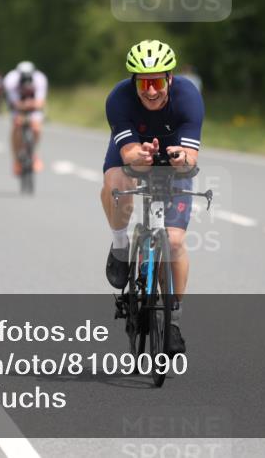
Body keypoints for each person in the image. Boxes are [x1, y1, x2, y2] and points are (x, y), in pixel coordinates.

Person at [101, 40, 204, 356]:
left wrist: (178, 158)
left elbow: (190, 158)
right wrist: (140, 155)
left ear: (169, 79)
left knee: (173, 242)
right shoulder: (119, 99)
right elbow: (129, 153)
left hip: (173, 162)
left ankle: (172, 320)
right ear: (134, 81)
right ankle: (120, 245)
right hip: (133, 155)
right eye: (143, 83)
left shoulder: (188, 98)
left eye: (157, 82)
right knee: (115, 185)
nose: (150, 91)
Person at [3, 61, 48, 176]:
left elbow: (40, 101)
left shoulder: (40, 79)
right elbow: (14, 102)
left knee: (36, 127)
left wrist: (32, 105)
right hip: (17, 104)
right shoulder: (10, 80)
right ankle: (17, 159)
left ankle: (33, 154)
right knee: (17, 125)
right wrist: (22, 106)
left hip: (32, 105)